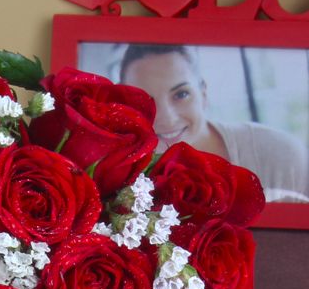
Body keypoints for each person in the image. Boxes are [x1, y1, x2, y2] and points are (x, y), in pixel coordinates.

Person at [120, 44, 309, 204]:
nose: (167, 118)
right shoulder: (117, 179)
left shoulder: (280, 155)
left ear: (203, 93)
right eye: (146, 101)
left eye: (181, 94)